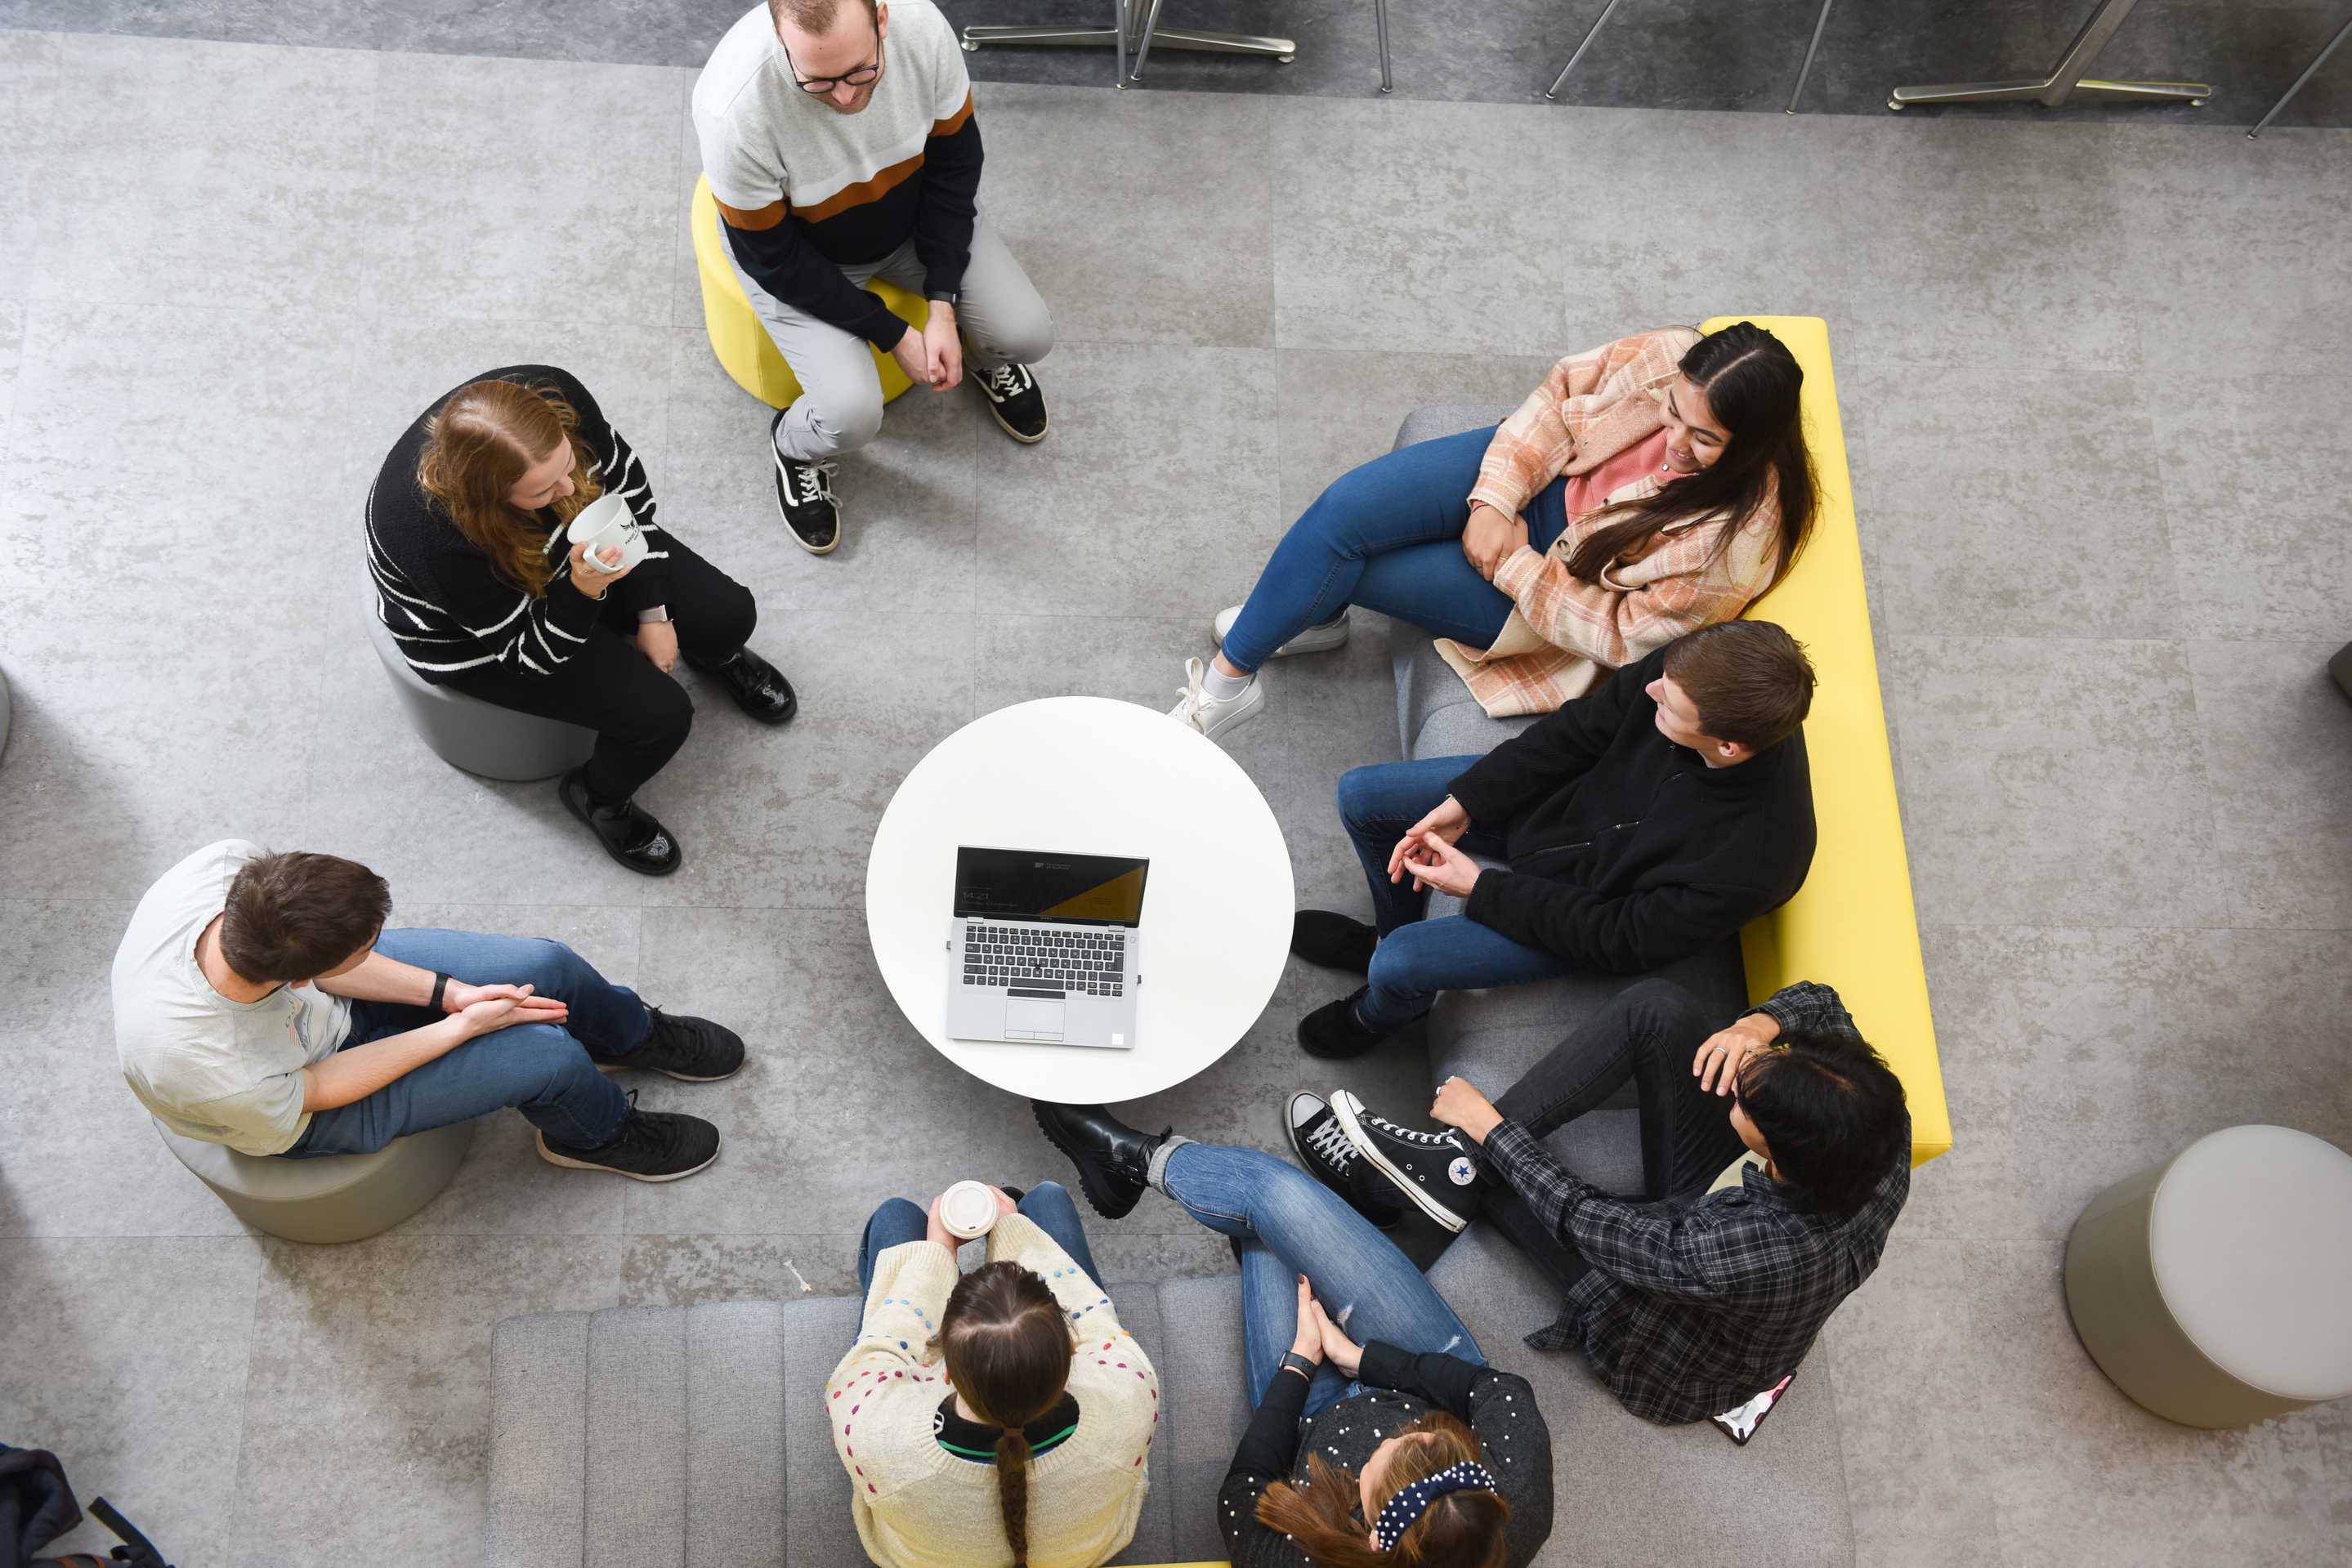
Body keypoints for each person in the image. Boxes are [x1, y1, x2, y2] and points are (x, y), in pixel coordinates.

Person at [1303, 977, 1912, 1427]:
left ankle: (1383, 1180)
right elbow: (1825, 1003)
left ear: (1777, 1151)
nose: (1746, 1069)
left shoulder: (1755, 1248)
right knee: (1656, 1010)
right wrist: (1759, 1028)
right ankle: (1449, 1162)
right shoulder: (1877, 1124)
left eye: (1746, 1098)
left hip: (1656, 1333)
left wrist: (1492, 1128)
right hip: (1715, 1217)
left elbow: (1586, 1221)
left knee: (1506, 1175)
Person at [1170, 322, 1814, 742]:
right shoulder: (1666, 355)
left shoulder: (1736, 542)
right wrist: (1494, 502)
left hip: (1551, 591)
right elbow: (1558, 398)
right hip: (1533, 483)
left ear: (1752, 446)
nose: (1673, 444)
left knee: (1354, 561)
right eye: (1671, 414)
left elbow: (1622, 638)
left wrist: (1514, 565)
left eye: (1703, 440)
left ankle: (1224, 690)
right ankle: (1312, 617)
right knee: (1344, 509)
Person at [1030, 1103, 1554, 1568]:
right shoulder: (1513, 1506)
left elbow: (1241, 1493)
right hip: (1411, 1366)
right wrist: (1364, 1360)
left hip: (1310, 1409)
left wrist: (1301, 1363)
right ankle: (1138, 1160)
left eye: (1383, 1457)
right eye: (1424, 1439)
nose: (1395, 1434)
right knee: (1275, 1195)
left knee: (1270, 1232)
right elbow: (1501, 1391)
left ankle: (1348, 1213)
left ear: (1374, 1536)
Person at [1290, 620, 1818, 1061]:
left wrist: (1481, 887)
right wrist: (1468, 801)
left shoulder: (1761, 858)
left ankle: (1374, 1016)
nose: (1652, 689)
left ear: (1726, 745)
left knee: (1400, 965)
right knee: (1363, 797)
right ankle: (1383, 932)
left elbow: (1620, 937)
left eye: (1668, 705)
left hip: (1585, 913)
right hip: (1556, 811)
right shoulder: (1691, 669)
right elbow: (1578, 731)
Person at [367, 364, 797, 877]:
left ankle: (716, 654)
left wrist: (652, 609)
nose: (570, 485)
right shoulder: (435, 537)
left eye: (568, 464)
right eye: (543, 491)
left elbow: (630, 499)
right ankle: (597, 797)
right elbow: (530, 656)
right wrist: (583, 590)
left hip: (575, 562)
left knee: (729, 615)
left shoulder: (554, 396)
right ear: (491, 498)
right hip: (479, 639)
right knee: (661, 717)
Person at [112, 842, 739, 1180]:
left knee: (546, 965)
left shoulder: (227, 871)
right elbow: (318, 1086)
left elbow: (343, 968)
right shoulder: (213, 1066)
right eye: (364, 946)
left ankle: (629, 1036)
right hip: (299, 1103)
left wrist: (451, 993)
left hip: (315, 1013)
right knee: (546, 1057)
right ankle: (597, 1137)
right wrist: (460, 1027)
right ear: (305, 975)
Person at [695, 0, 1053, 555]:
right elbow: (775, 260)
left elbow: (956, 167)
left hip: (908, 220)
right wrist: (893, 334)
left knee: (1028, 334)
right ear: (779, 39)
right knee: (853, 416)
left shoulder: (924, 32)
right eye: (816, 82)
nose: (843, 96)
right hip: (804, 255)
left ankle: (983, 356)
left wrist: (941, 303)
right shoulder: (733, 109)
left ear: (882, 19)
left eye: (861, 71)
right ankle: (793, 447)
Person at [833, 1180, 1155, 1568]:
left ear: (943, 1371)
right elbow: (1096, 1320)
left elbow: (874, 1351)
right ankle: (1015, 1206)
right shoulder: (1130, 1395)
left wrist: (937, 1255)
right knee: (1046, 1198)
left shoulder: (873, 1433)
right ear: (1072, 1352)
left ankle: (990, 1219)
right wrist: (1014, 1231)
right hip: (1086, 1551)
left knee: (897, 1216)